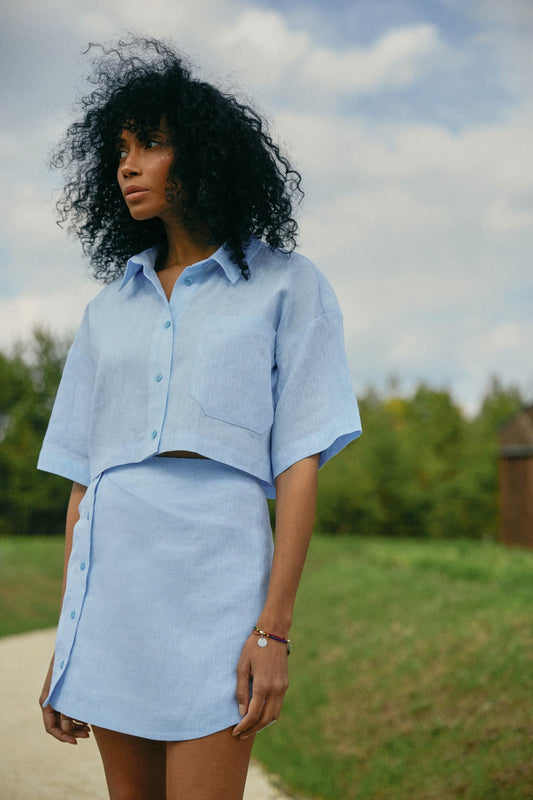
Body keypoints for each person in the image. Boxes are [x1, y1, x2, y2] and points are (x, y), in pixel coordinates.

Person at [37, 37, 361, 800]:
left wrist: (271, 631)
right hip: (114, 598)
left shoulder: (288, 288)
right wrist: (67, 638)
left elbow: (300, 466)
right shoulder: (105, 311)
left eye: (150, 144)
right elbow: (83, 489)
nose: (127, 165)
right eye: (120, 149)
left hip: (216, 596)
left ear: (207, 157)